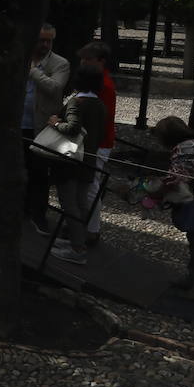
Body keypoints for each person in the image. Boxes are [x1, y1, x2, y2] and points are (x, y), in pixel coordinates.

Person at [45, 64, 107, 265]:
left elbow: (72, 127)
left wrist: (55, 122)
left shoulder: (76, 102)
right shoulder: (100, 105)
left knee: (69, 204)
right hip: (88, 160)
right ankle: (75, 241)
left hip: (71, 160)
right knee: (80, 204)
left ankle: (77, 248)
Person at [142, 116, 194, 296]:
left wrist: (152, 191)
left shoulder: (182, 150)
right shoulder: (193, 143)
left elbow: (175, 179)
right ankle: (191, 278)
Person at [24, 23, 71, 232]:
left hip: (41, 128)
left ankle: (38, 215)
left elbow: (54, 88)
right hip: (19, 124)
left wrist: (33, 72)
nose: (45, 44)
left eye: (49, 40)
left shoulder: (60, 64)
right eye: (41, 40)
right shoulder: (21, 57)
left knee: (39, 175)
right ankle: (20, 210)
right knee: (18, 170)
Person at [77, 42, 116, 246]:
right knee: (87, 185)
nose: (83, 63)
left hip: (98, 143)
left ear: (101, 61)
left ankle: (92, 230)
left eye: (88, 59)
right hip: (95, 141)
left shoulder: (105, 86)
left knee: (91, 186)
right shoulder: (99, 82)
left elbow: (103, 118)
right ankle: (84, 225)